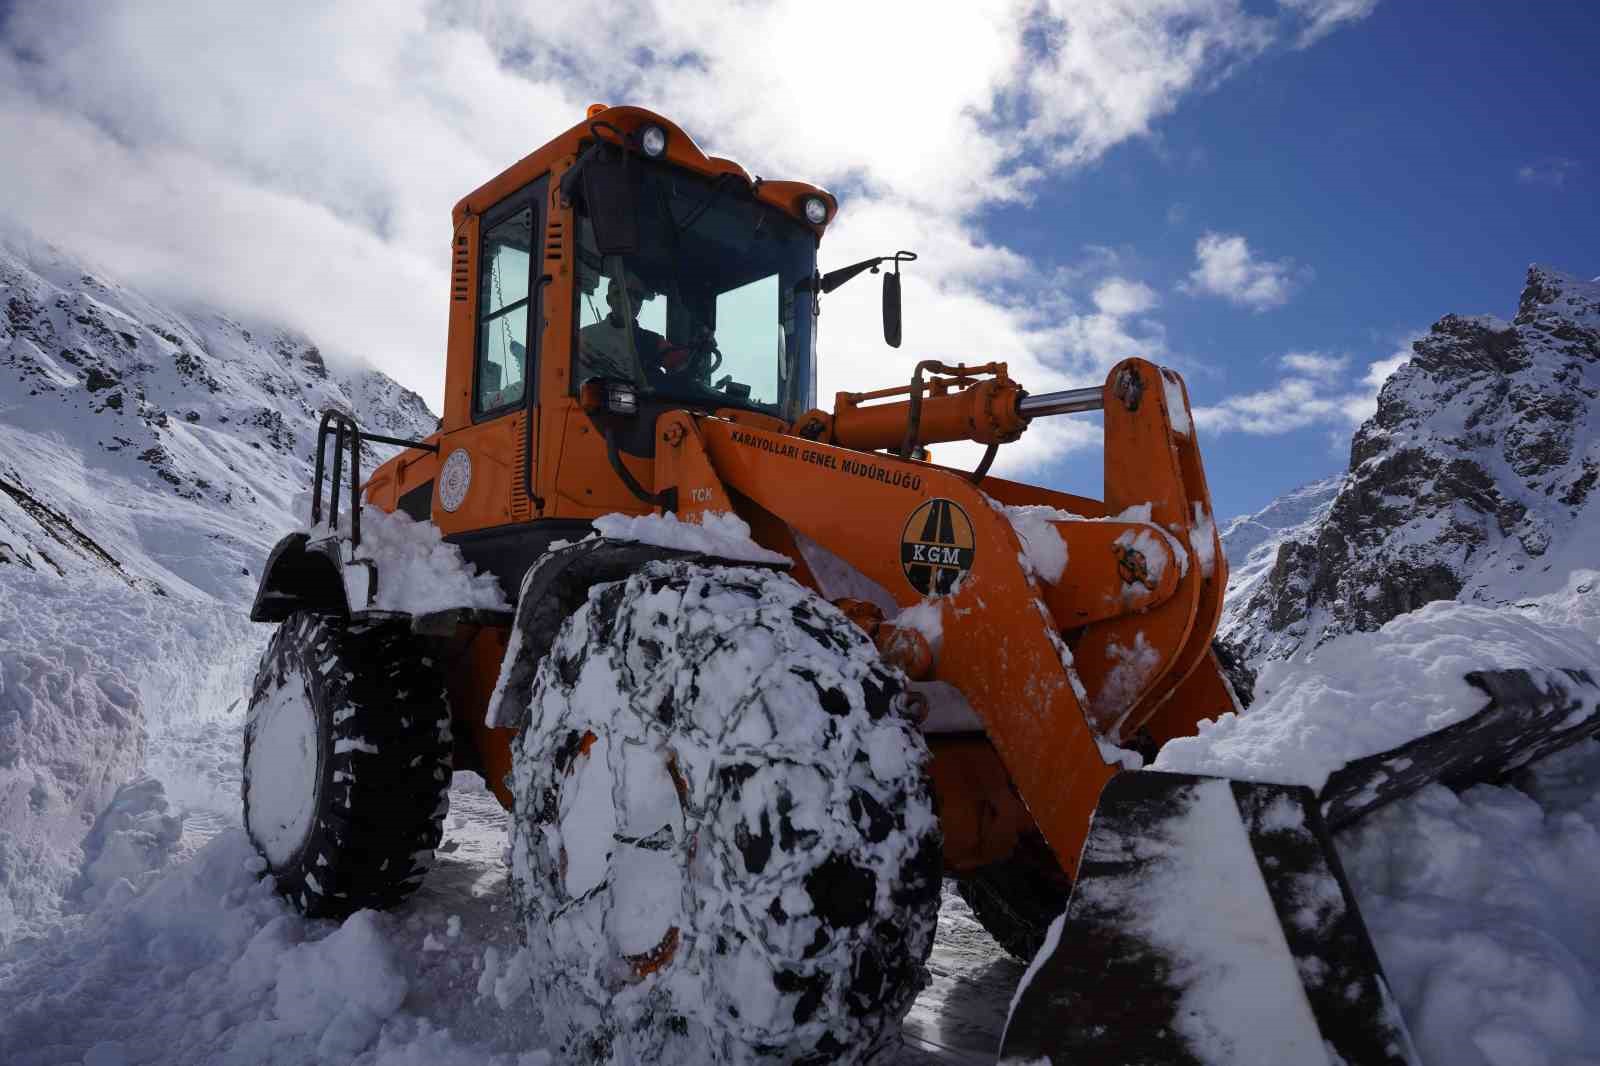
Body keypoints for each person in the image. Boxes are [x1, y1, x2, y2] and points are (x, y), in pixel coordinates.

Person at [577, 272, 700, 384]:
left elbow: (678, 362)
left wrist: (698, 347)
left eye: (637, 296)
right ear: (609, 300)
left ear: (641, 303)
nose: (629, 300)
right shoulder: (585, 336)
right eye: (621, 292)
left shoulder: (651, 340)